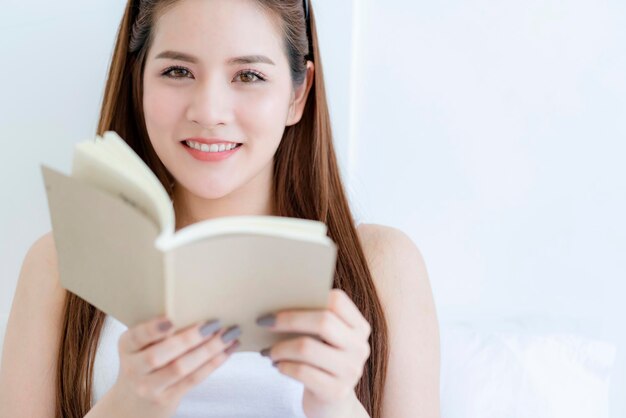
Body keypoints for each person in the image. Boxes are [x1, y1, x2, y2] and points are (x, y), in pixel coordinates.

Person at [0, 0, 440, 417]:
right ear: (139, 81)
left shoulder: (382, 265)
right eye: (177, 70)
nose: (209, 112)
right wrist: (128, 403)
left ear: (297, 94)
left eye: (248, 76)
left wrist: (336, 404)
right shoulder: (59, 263)